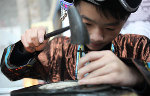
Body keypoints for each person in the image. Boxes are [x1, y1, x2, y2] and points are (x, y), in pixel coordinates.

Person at [1, 0, 150, 94]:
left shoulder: (138, 47)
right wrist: (26, 50)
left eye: (110, 28)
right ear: (74, 14)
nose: (97, 36)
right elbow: (11, 72)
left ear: (124, 21)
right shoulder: (57, 49)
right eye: (87, 24)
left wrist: (136, 76)